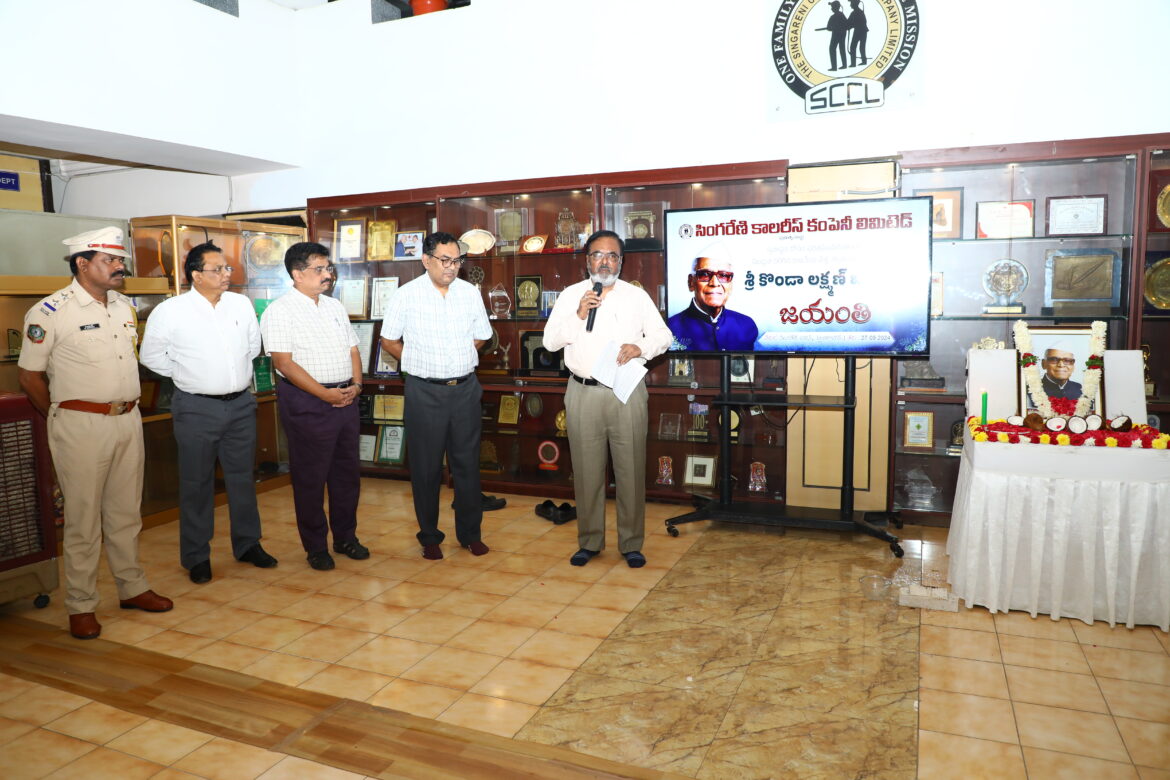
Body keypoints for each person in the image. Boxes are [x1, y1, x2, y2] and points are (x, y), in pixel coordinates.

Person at [17, 227, 172, 640]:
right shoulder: (50, 312)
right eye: (110, 260)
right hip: (80, 424)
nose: (120, 267)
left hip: (127, 419)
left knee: (125, 513)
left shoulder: (122, 306)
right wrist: (59, 414)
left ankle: (132, 587)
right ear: (82, 264)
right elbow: (29, 376)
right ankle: (81, 604)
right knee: (83, 519)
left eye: (120, 260)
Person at [140, 242, 277, 585]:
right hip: (196, 407)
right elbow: (151, 357)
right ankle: (197, 556)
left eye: (227, 268)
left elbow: (253, 347)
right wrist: (188, 374)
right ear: (196, 275)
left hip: (241, 405)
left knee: (242, 478)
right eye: (218, 269)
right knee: (196, 482)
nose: (226, 274)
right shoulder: (171, 311)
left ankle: (248, 544)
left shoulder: (240, 304)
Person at [543, 230, 673, 568]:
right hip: (583, 392)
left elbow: (664, 335)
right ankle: (589, 541)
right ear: (587, 260)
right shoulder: (571, 296)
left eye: (612, 256)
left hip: (625, 392)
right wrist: (578, 314)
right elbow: (550, 342)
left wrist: (640, 347)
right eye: (598, 255)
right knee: (587, 472)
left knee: (631, 470)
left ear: (621, 262)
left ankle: (631, 544)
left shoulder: (636, 296)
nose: (605, 262)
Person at [381, 232, 493, 560]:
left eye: (457, 260)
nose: (452, 267)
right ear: (426, 260)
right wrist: (417, 362)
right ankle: (429, 536)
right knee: (426, 468)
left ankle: (470, 535)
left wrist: (458, 357)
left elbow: (482, 336)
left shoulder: (469, 293)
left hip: (465, 390)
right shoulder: (406, 295)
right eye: (445, 260)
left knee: (467, 466)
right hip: (424, 392)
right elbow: (389, 340)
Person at [259, 242, 368, 571]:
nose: (327, 274)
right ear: (297, 274)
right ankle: (316, 546)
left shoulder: (334, 306)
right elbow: (284, 363)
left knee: (347, 475)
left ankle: (346, 537)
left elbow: (353, 350)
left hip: (345, 398)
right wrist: (325, 394)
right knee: (311, 478)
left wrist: (356, 386)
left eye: (328, 268)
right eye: (318, 269)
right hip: (308, 402)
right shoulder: (280, 311)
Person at [667, 250, 759, 351]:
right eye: (705, 274)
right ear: (691, 282)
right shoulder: (669, 329)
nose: (715, 283)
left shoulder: (746, 325)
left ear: (731, 285)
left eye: (724, 275)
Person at [847, 0, 868, 67]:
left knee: (854, 47)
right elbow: (849, 22)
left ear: (854, 4)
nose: (850, 5)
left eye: (851, 3)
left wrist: (849, 26)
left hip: (860, 31)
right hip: (862, 31)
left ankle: (854, 63)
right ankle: (862, 61)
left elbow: (852, 22)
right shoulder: (857, 12)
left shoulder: (857, 12)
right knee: (860, 47)